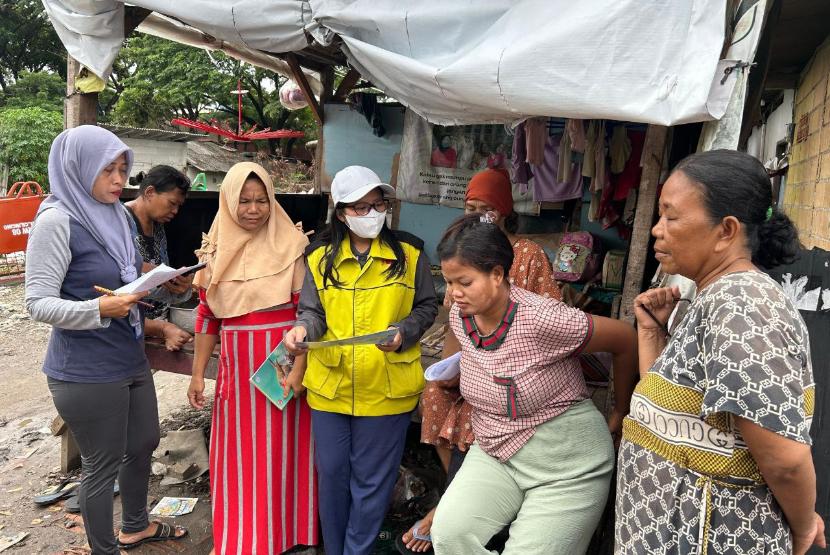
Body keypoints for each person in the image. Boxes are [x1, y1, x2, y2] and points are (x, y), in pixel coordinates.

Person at [615, 149, 825, 554]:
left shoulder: (743, 305)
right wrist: (652, 332)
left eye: (671, 216)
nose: (657, 230)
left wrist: (802, 527)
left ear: (726, 230)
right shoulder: (712, 296)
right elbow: (674, 414)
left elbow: (784, 460)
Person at [428, 214, 638, 554]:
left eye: (464, 282)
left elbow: (626, 339)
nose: (454, 294)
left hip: (568, 462)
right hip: (497, 449)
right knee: (451, 536)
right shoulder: (459, 314)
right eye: (450, 282)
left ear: (497, 274)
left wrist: (620, 409)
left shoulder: (543, 318)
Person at [25, 126, 188, 554]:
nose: (119, 180)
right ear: (77, 169)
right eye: (107, 170)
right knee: (101, 466)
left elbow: (120, 280)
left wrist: (157, 281)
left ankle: (135, 525)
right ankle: (104, 549)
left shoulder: (115, 214)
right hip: (84, 369)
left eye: (122, 169)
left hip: (128, 356)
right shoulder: (57, 220)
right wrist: (97, 310)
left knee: (144, 443)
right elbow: (37, 304)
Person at [403, 168, 562, 552]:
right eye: (470, 207)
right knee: (435, 394)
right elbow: (456, 326)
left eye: (486, 208)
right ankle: (458, 495)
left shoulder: (528, 254)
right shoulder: (462, 255)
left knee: (481, 410)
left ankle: (453, 508)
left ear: (505, 211)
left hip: (517, 364)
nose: (476, 215)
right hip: (473, 358)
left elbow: (552, 316)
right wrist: (448, 369)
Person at [283, 165, 438, 555]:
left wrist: (405, 331)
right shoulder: (319, 256)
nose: (373, 214)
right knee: (333, 477)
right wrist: (302, 330)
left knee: (373, 483)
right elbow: (312, 312)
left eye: (378, 204)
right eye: (361, 207)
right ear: (341, 214)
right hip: (331, 386)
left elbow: (427, 306)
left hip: (386, 387)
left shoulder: (410, 252)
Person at [186, 162, 317, 554]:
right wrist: (196, 375)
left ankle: (293, 535)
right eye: (244, 201)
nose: (254, 209)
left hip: (282, 365)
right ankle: (243, 538)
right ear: (229, 201)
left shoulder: (292, 246)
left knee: (285, 454)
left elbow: (308, 315)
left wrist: (299, 368)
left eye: (262, 200)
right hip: (238, 370)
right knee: (240, 459)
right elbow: (207, 316)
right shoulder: (214, 249)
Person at [124, 165, 193, 351]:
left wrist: (180, 285)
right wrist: (158, 273)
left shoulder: (158, 226)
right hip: (124, 325)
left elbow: (159, 288)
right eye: (172, 203)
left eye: (179, 205)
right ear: (149, 192)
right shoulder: (119, 221)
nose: (175, 211)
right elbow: (116, 272)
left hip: (149, 326)